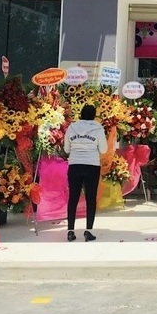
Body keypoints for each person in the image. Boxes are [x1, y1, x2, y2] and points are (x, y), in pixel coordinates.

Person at [63, 104, 107, 242]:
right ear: (94, 116)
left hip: (75, 165)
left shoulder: (72, 127)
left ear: (81, 114)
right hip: (92, 166)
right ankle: (88, 231)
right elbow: (104, 150)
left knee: (73, 198)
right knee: (91, 199)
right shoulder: (98, 128)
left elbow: (66, 149)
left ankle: (70, 231)